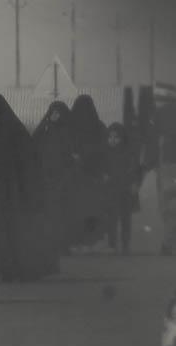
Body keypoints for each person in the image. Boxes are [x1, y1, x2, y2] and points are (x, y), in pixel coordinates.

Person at [0, 94, 56, 282]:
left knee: (11, 230)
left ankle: (12, 268)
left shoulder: (15, 130)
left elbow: (28, 160)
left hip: (13, 191)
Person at [32, 101, 75, 255]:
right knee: (48, 211)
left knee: (62, 211)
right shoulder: (44, 128)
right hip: (46, 176)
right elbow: (34, 146)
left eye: (58, 113)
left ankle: (63, 244)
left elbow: (71, 152)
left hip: (63, 176)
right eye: (53, 112)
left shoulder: (67, 131)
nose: (55, 116)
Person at [69, 94, 108, 251]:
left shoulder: (70, 125)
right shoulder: (99, 126)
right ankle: (89, 240)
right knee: (90, 208)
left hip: (79, 175)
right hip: (92, 175)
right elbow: (104, 150)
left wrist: (78, 156)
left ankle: (78, 240)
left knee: (78, 207)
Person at [102, 123, 142, 256]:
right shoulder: (106, 152)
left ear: (122, 138)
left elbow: (135, 170)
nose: (112, 140)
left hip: (125, 190)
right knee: (111, 218)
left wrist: (135, 183)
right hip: (111, 190)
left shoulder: (129, 153)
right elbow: (102, 168)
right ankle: (112, 244)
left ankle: (125, 244)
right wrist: (104, 175)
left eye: (116, 137)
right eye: (110, 137)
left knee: (125, 218)